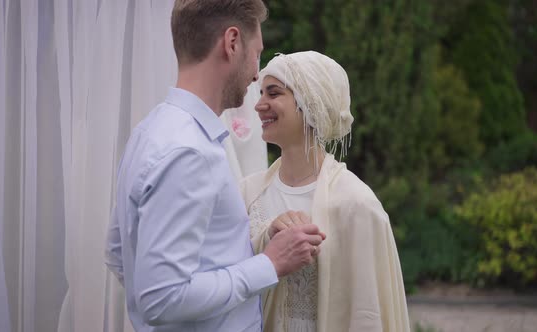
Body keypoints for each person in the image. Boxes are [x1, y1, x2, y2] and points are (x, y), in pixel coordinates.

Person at [105, 2, 326, 331]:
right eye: (256, 53)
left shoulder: (149, 131)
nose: (256, 73)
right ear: (232, 42)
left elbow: (118, 251)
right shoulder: (189, 151)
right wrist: (270, 264)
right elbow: (161, 297)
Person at [240, 51, 411, 332]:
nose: (259, 105)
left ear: (310, 102)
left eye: (274, 93)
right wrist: (267, 237)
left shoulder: (357, 203)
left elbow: (368, 313)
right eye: (260, 94)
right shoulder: (247, 192)